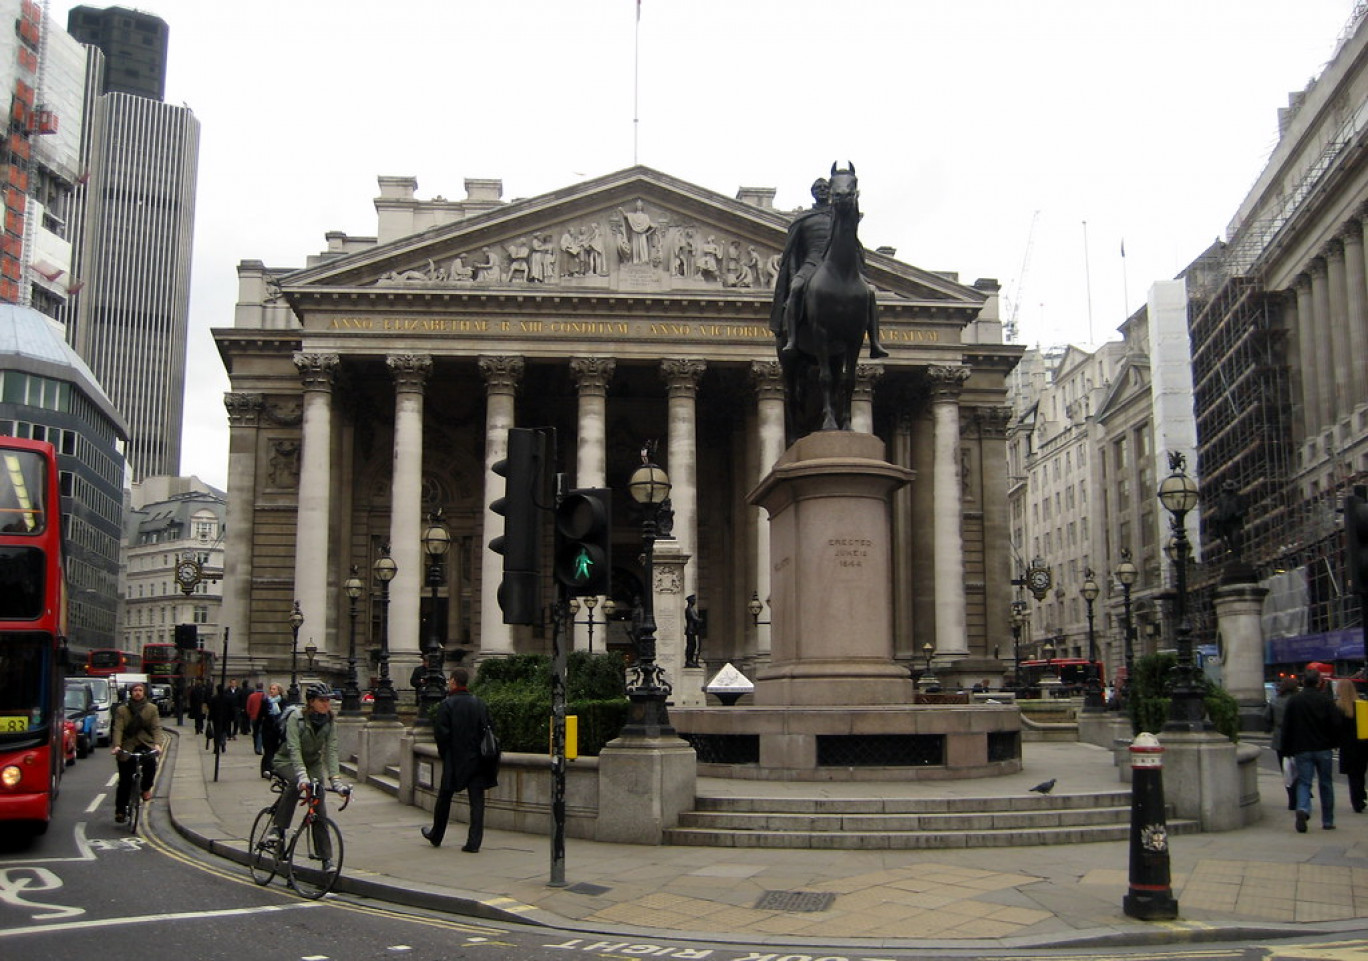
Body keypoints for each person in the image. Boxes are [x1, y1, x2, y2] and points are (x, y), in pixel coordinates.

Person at [269, 685, 348, 865]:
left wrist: (336, 781)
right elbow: (294, 748)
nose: (326, 704)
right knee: (296, 782)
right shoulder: (296, 718)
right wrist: (302, 776)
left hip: (312, 764)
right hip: (286, 760)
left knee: (319, 807)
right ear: (311, 702)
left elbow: (332, 751)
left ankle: (325, 857)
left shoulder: (329, 721)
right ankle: (277, 827)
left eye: (328, 700)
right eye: (322, 700)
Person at [422, 668, 497, 851]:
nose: (449, 683)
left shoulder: (447, 705)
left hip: (455, 759)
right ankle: (474, 842)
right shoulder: (479, 703)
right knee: (476, 801)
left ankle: (436, 835)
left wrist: (445, 754)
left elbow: (441, 735)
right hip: (477, 759)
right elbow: (489, 728)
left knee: (444, 798)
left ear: (454, 682)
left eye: (450, 680)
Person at [1281, 665, 1342, 832]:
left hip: (1302, 748)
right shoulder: (1326, 700)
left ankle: (1303, 809)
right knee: (1326, 784)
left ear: (1303, 681)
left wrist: (1286, 748)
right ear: (1318, 682)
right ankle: (1328, 821)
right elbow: (1336, 724)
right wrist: (1335, 742)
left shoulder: (1295, 701)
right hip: (1323, 748)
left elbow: (1287, 726)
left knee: (1304, 782)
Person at [110, 681, 162, 823]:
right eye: (135, 691)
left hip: (145, 744)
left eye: (140, 690)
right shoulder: (122, 710)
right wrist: (117, 746)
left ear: (144, 693)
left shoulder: (151, 709)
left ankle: (145, 789)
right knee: (125, 781)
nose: (137, 693)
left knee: (151, 765)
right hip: (127, 746)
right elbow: (118, 729)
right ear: (131, 693)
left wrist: (157, 744)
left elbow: (156, 728)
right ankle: (120, 810)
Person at [1266, 675, 1301, 810]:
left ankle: (1292, 798)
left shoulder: (1275, 701)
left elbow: (1266, 716)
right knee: (1299, 769)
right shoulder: (1298, 700)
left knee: (1286, 770)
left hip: (1280, 738)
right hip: (1298, 738)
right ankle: (1300, 794)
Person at [1335, 677, 1368, 814]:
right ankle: (1361, 795)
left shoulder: (1338, 707)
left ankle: (1356, 800)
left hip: (1347, 746)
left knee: (1352, 775)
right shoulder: (1361, 705)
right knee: (1361, 773)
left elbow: (1336, 728)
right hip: (1362, 744)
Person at [260, 683, 284, 777]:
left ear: (279, 691)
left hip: (278, 730)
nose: (271, 691)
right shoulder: (266, 701)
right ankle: (266, 770)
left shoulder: (283, 701)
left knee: (276, 750)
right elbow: (260, 715)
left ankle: (275, 768)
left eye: (274, 689)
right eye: (271, 689)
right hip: (267, 729)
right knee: (268, 750)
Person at [246, 683, 266, 755]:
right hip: (262, 718)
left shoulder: (251, 696)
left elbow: (248, 708)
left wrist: (250, 714)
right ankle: (259, 747)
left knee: (255, 732)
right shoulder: (265, 696)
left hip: (253, 717)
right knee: (260, 732)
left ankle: (256, 746)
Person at [684, 594, 702, 668]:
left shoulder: (691, 609)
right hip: (690, 631)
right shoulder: (689, 609)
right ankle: (689, 661)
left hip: (693, 631)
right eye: (693, 599)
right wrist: (700, 620)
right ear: (690, 600)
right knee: (691, 646)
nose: (695, 601)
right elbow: (694, 619)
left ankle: (691, 660)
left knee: (693, 646)